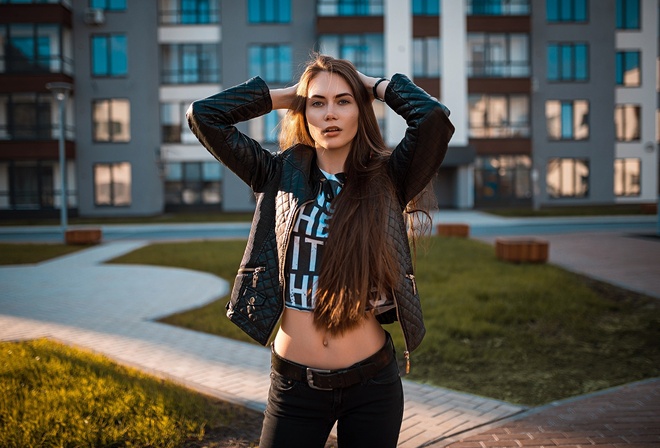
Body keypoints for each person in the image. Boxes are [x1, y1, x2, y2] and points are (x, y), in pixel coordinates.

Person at [187, 53, 454, 447]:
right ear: (304, 111)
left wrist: (376, 86)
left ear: (361, 112)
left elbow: (432, 118)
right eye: (318, 102)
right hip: (295, 387)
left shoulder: (390, 178)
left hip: (372, 385)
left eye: (344, 101)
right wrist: (284, 95)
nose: (330, 113)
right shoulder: (277, 173)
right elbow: (204, 116)